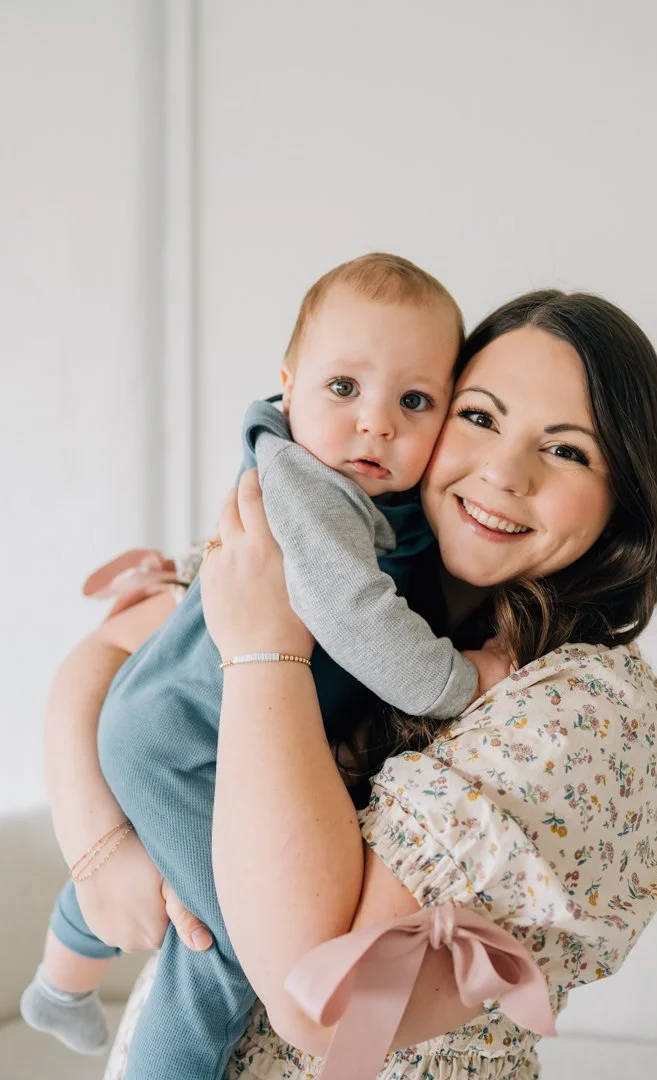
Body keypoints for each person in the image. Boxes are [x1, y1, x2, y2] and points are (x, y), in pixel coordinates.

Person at [104, 288, 657, 1080]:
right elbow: (100, 670)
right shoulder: (356, 554)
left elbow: (325, 1004)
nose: (504, 473)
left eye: (568, 450)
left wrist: (265, 653)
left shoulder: (583, 711)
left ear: (625, 498)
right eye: (480, 417)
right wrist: (99, 861)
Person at [22, 253, 489, 1078]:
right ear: (289, 383)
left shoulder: (381, 500)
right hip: (183, 745)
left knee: (175, 878)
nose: (376, 423)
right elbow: (357, 619)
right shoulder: (306, 491)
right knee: (229, 939)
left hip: (181, 729)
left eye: (414, 402)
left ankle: (59, 987)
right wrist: (462, 679)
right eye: (344, 389)